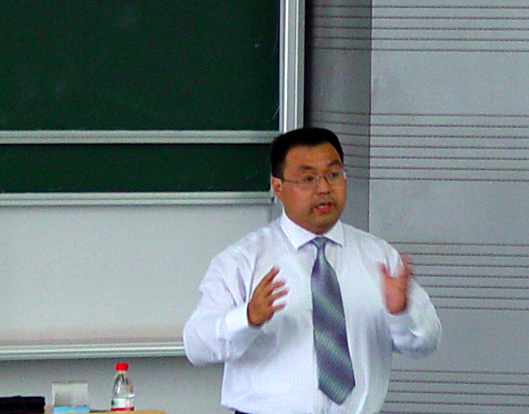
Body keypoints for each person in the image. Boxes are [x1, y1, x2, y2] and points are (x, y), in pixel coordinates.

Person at [183, 127, 441, 414]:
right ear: (278, 187)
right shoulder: (243, 261)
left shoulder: (379, 258)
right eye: (308, 178)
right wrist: (248, 318)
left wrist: (401, 314)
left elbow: (426, 343)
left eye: (333, 174)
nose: (324, 188)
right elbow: (196, 346)